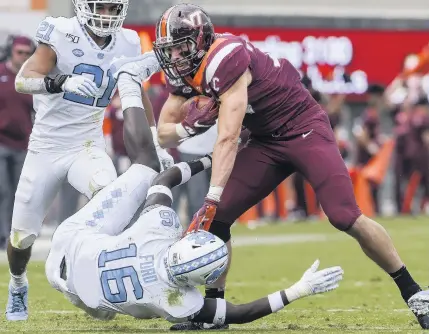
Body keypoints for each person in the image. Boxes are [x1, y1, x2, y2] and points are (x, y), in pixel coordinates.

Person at [147, 3, 429, 330]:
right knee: (218, 219)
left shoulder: (226, 57)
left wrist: (210, 197)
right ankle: (215, 310)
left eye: (181, 46)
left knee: (344, 215)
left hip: (303, 129)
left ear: (200, 39)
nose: (176, 55)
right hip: (267, 140)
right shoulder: (184, 71)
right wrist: (187, 129)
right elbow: (165, 134)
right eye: (170, 49)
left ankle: (414, 292)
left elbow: (228, 137)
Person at [45, 62, 344, 324]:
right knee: (113, 306)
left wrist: (208, 161)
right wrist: (299, 290)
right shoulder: (180, 303)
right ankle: (127, 77)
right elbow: (239, 314)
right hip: (83, 296)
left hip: (73, 241)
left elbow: (166, 177)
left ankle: (128, 80)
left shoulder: (158, 229)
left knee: (147, 168)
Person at [6, 0, 173, 321]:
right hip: (46, 147)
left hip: (88, 144)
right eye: (102, 7)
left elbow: (132, 90)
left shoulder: (127, 41)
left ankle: (95, 284)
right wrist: (58, 81)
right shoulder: (61, 32)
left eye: (113, 8)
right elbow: (22, 80)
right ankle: (17, 283)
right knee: (21, 235)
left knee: (110, 198)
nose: (106, 15)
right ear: (83, 6)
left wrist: (154, 139)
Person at [0, 36, 35, 249]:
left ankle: (13, 236)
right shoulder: (1, 74)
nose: (23, 57)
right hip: (1, 142)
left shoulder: (31, 79)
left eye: (27, 53)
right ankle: (3, 235)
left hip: (23, 144)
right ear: (11, 52)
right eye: (19, 52)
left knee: (19, 194)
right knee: (2, 190)